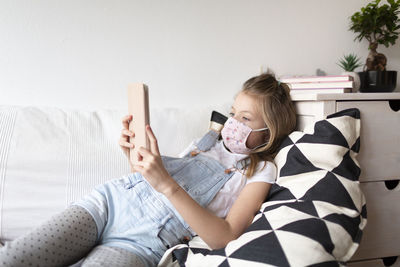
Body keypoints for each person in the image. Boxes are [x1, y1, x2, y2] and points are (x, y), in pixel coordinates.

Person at [0, 73, 296, 267]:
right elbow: (148, 179)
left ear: (270, 131)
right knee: (14, 259)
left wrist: (167, 184)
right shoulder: (205, 143)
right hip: (109, 203)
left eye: (245, 118)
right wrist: (134, 154)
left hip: (145, 241)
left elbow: (225, 236)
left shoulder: (261, 172)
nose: (232, 124)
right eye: (233, 114)